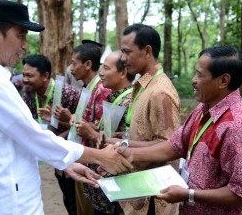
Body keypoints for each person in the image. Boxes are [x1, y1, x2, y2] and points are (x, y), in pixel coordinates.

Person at [0, 0, 132, 215]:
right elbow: (33, 136)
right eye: (21, 35)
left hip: (4, 194)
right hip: (10, 201)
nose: (24, 46)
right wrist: (99, 156)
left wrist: (67, 164)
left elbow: (19, 139)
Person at [118, 45, 242, 214]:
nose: (193, 80)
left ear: (223, 81)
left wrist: (190, 194)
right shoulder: (203, 108)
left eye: (200, 75)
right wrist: (131, 152)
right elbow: (175, 145)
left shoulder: (236, 128)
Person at [108, 23, 181, 215]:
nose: (122, 59)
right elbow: (145, 133)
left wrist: (125, 147)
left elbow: (169, 146)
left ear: (147, 51)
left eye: (127, 52)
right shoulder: (143, 85)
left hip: (153, 198)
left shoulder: (160, 92)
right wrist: (122, 139)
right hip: (137, 191)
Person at [77, 51, 135, 215]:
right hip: (103, 190)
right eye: (101, 67)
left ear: (123, 73)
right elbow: (109, 137)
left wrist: (93, 135)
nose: (100, 72)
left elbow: (127, 143)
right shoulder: (113, 99)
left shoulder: (129, 101)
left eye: (106, 68)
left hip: (116, 195)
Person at [21, 54, 80, 215]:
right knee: (67, 199)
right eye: (24, 74)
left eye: (30, 75)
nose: (25, 80)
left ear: (45, 76)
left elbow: (81, 125)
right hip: (54, 155)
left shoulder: (68, 94)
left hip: (74, 155)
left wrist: (57, 138)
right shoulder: (28, 94)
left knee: (75, 200)